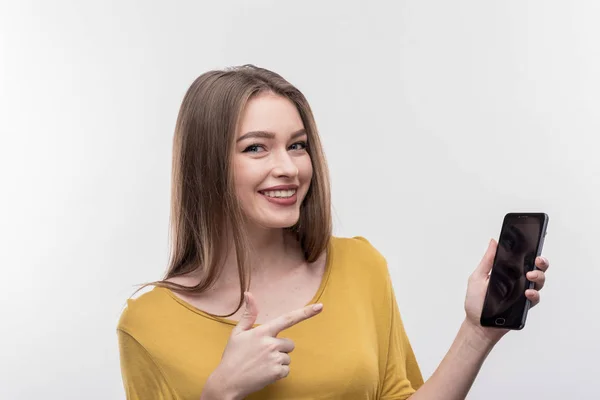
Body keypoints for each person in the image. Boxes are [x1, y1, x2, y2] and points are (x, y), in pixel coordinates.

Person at [116, 64, 550, 400]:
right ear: (206, 165)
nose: (288, 168)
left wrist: (476, 331)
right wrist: (222, 391)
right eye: (256, 147)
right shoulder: (149, 323)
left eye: (297, 144)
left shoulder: (360, 266)